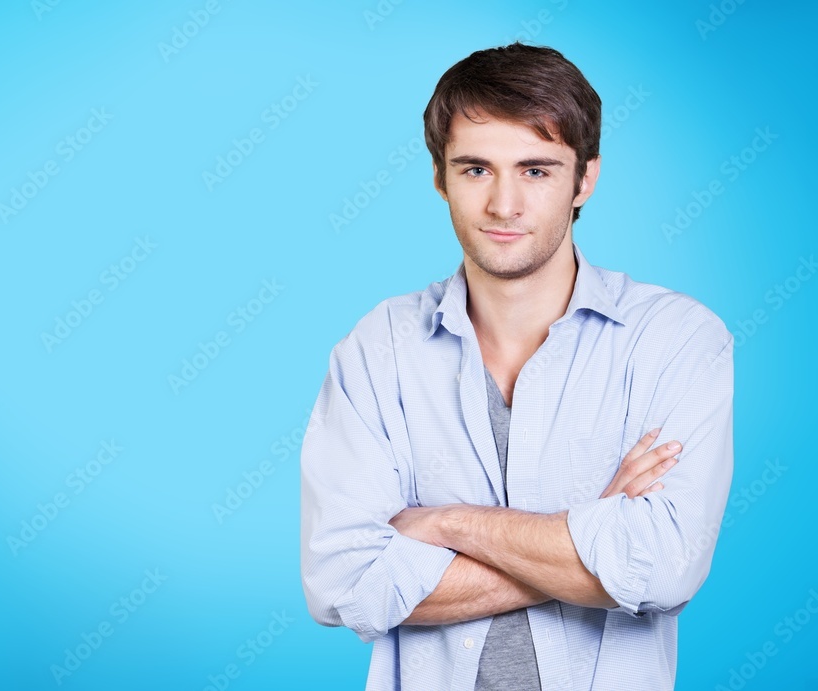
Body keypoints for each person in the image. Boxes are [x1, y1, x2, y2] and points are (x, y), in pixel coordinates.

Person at [300, 43, 734, 691]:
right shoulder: (376, 348)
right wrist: (594, 528)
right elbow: (344, 584)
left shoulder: (675, 339)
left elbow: (664, 569)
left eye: (536, 170)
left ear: (585, 178)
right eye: (476, 169)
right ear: (440, 177)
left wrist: (447, 522)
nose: (504, 204)